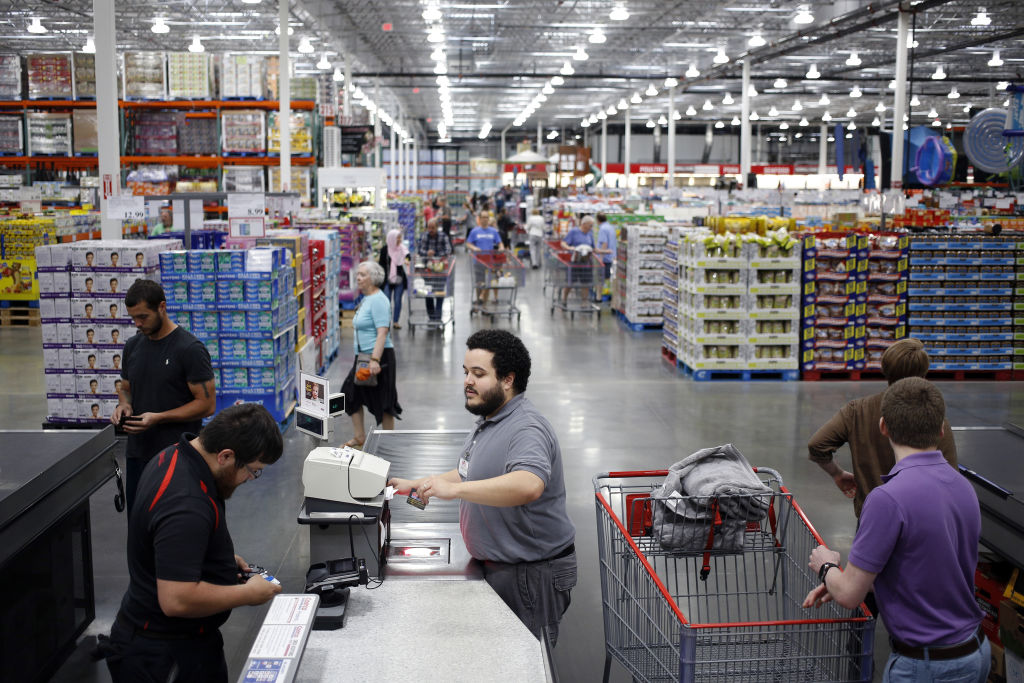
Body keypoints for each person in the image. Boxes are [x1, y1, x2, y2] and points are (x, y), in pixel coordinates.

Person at [388, 330, 576, 646]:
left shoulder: (526, 428)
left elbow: (529, 484)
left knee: (522, 661)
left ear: (508, 379)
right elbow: (469, 473)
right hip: (504, 566)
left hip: (530, 574)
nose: (467, 381)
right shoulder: (491, 419)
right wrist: (418, 484)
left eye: (479, 374)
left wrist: (456, 492)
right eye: (465, 373)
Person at [804, 377, 987, 683]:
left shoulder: (887, 499)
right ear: (941, 429)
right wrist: (852, 579)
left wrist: (827, 566)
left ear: (883, 427)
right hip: (973, 655)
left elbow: (849, 596)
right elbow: (930, 568)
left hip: (924, 668)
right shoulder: (962, 487)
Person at [103, 404, 284, 683]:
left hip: (172, 641)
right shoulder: (187, 503)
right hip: (164, 657)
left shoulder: (173, 455)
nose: (251, 478)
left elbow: (165, 543)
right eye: (252, 470)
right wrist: (249, 594)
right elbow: (176, 599)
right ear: (225, 456)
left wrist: (212, 557)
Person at [807, 338, 957, 519]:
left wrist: (837, 473)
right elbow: (950, 477)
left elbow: (817, 445)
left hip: (871, 517)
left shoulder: (858, 411)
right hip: (920, 519)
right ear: (924, 373)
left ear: (885, 370)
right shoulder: (935, 418)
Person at [112, 280, 216, 513]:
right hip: (138, 454)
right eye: (133, 318)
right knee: (139, 524)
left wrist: (158, 417)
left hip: (177, 455)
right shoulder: (132, 346)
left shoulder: (189, 349)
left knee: (173, 522)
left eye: (143, 317)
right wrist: (124, 406)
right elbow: (126, 387)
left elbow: (207, 404)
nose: (138, 324)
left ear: (162, 307)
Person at [340, 261, 401, 448]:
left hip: (379, 358)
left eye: (363, 275)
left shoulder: (379, 300)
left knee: (384, 403)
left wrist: (375, 359)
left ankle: (388, 443)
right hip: (363, 358)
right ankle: (360, 437)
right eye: (357, 274)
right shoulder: (367, 298)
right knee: (350, 395)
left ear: (373, 278)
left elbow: (383, 332)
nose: (358, 278)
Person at [417, 218, 452, 321]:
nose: (430, 230)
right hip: (427, 270)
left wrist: (436, 255)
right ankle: (431, 316)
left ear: (437, 227)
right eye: (429, 227)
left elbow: (448, 250)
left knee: (439, 293)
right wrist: (427, 253)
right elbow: (420, 249)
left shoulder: (443, 236)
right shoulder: (424, 236)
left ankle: (437, 316)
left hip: (440, 270)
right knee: (428, 293)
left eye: (433, 228)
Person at [466, 213, 504, 306]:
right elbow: (468, 243)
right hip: (478, 260)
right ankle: (480, 301)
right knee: (480, 283)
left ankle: (484, 305)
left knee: (488, 282)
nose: (485, 219)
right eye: (483, 217)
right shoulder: (475, 231)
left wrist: (501, 247)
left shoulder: (493, 231)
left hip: (490, 261)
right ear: (479, 219)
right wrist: (474, 248)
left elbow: (500, 242)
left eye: (486, 217)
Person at [560, 215, 596, 304]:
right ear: (584, 224)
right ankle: (564, 298)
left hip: (586, 262)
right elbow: (563, 243)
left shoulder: (590, 234)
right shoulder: (574, 232)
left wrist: (605, 251)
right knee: (570, 282)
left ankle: (584, 302)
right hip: (574, 262)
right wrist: (569, 248)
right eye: (590, 225)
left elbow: (593, 248)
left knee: (585, 283)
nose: (591, 227)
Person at [378, 228, 409, 329]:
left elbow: (408, 256)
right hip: (387, 279)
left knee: (398, 300)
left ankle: (395, 321)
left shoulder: (402, 249)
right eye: (397, 238)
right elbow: (381, 265)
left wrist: (407, 260)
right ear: (392, 238)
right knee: (386, 301)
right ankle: (386, 322)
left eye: (400, 238)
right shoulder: (384, 250)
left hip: (399, 278)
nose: (399, 240)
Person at [594, 212, 617, 281]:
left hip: (604, 258)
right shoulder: (611, 227)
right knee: (607, 278)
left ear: (598, 220)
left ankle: (600, 292)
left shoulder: (603, 229)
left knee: (601, 279)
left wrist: (600, 258)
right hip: (610, 257)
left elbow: (604, 243)